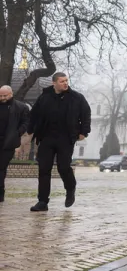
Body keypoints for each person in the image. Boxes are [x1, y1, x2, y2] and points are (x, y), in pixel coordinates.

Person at [28, 72, 91, 212]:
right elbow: (34, 114)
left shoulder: (76, 98)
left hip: (66, 138)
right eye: (62, 81)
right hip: (47, 137)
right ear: (54, 83)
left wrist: (83, 132)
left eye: (66, 80)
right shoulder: (45, 97)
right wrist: (30, 129)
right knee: (44, 169)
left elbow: (86, 114)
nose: (65, 83)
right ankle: (42, 201)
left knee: (63, 167)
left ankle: (70, 188)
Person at [0, 85, 30, 202]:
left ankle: (0, 193)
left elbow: (26, 122)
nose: (2, 98)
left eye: (5, 95)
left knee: (1, 167)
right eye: (0, 95)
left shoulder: (21, 107)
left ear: (11, 94)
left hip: (8, 142)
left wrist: (17, 133)